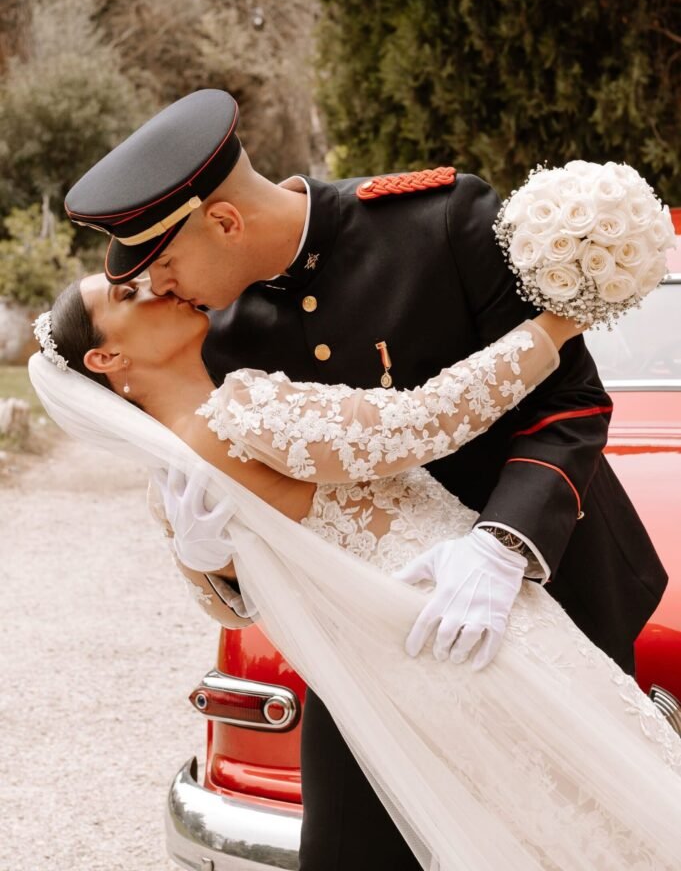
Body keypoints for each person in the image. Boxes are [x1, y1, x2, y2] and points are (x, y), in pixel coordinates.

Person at [61, 88, 669, 870]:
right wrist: (208, 554)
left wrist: (501, 545)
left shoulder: (440, 221)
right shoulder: (214, 339)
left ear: (223, 220)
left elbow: (568, 405)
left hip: (548, 589)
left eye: (167, 263)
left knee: (581, 838)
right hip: (370, 647)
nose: (165, 290)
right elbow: (261, 527)